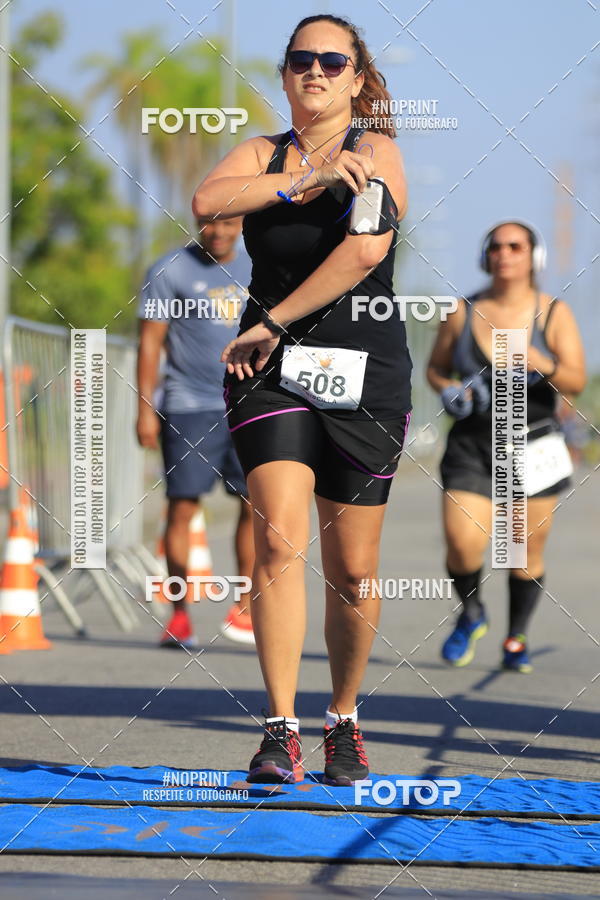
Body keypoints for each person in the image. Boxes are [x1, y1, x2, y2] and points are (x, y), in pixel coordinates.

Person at [192, 14, 412, 786]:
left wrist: (273, 322)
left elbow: (364, 251)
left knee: (352, 571)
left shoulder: (377, 151)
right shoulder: (265, 154)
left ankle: (343, 719)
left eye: (330, 61)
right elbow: (208, 200)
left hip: (364, 375)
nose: (313, 72)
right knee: (278, 541)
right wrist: (304, 180)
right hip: (270, 375)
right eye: (299, 61)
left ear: (356, 77)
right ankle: (278, 727)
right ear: (285, 75)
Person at [427, 221, 586, 673]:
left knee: (522, 549)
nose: (504, 254)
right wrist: (447, 389)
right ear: (485, 255)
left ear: (533, 257)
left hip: (531, 446)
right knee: (463, 544)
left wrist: (543, 361)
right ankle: (472, 612)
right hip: (472, 444)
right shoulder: (461, 311)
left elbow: (575, 378)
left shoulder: (554, 313)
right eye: (495, 246)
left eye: (515, 246)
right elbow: (436, 369)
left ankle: (516, 637)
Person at [136, 217, 256, 648]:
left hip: (249, 404)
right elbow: (150, 342)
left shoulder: (257, 266)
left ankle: (245, 606)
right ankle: (179, 613)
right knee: (182, 507)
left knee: (255, 505)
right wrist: (146, 409)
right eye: (209, 223)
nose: (218, 231)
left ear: (241, 223)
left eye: (227, 222)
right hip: (189, 405)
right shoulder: (169, 270)